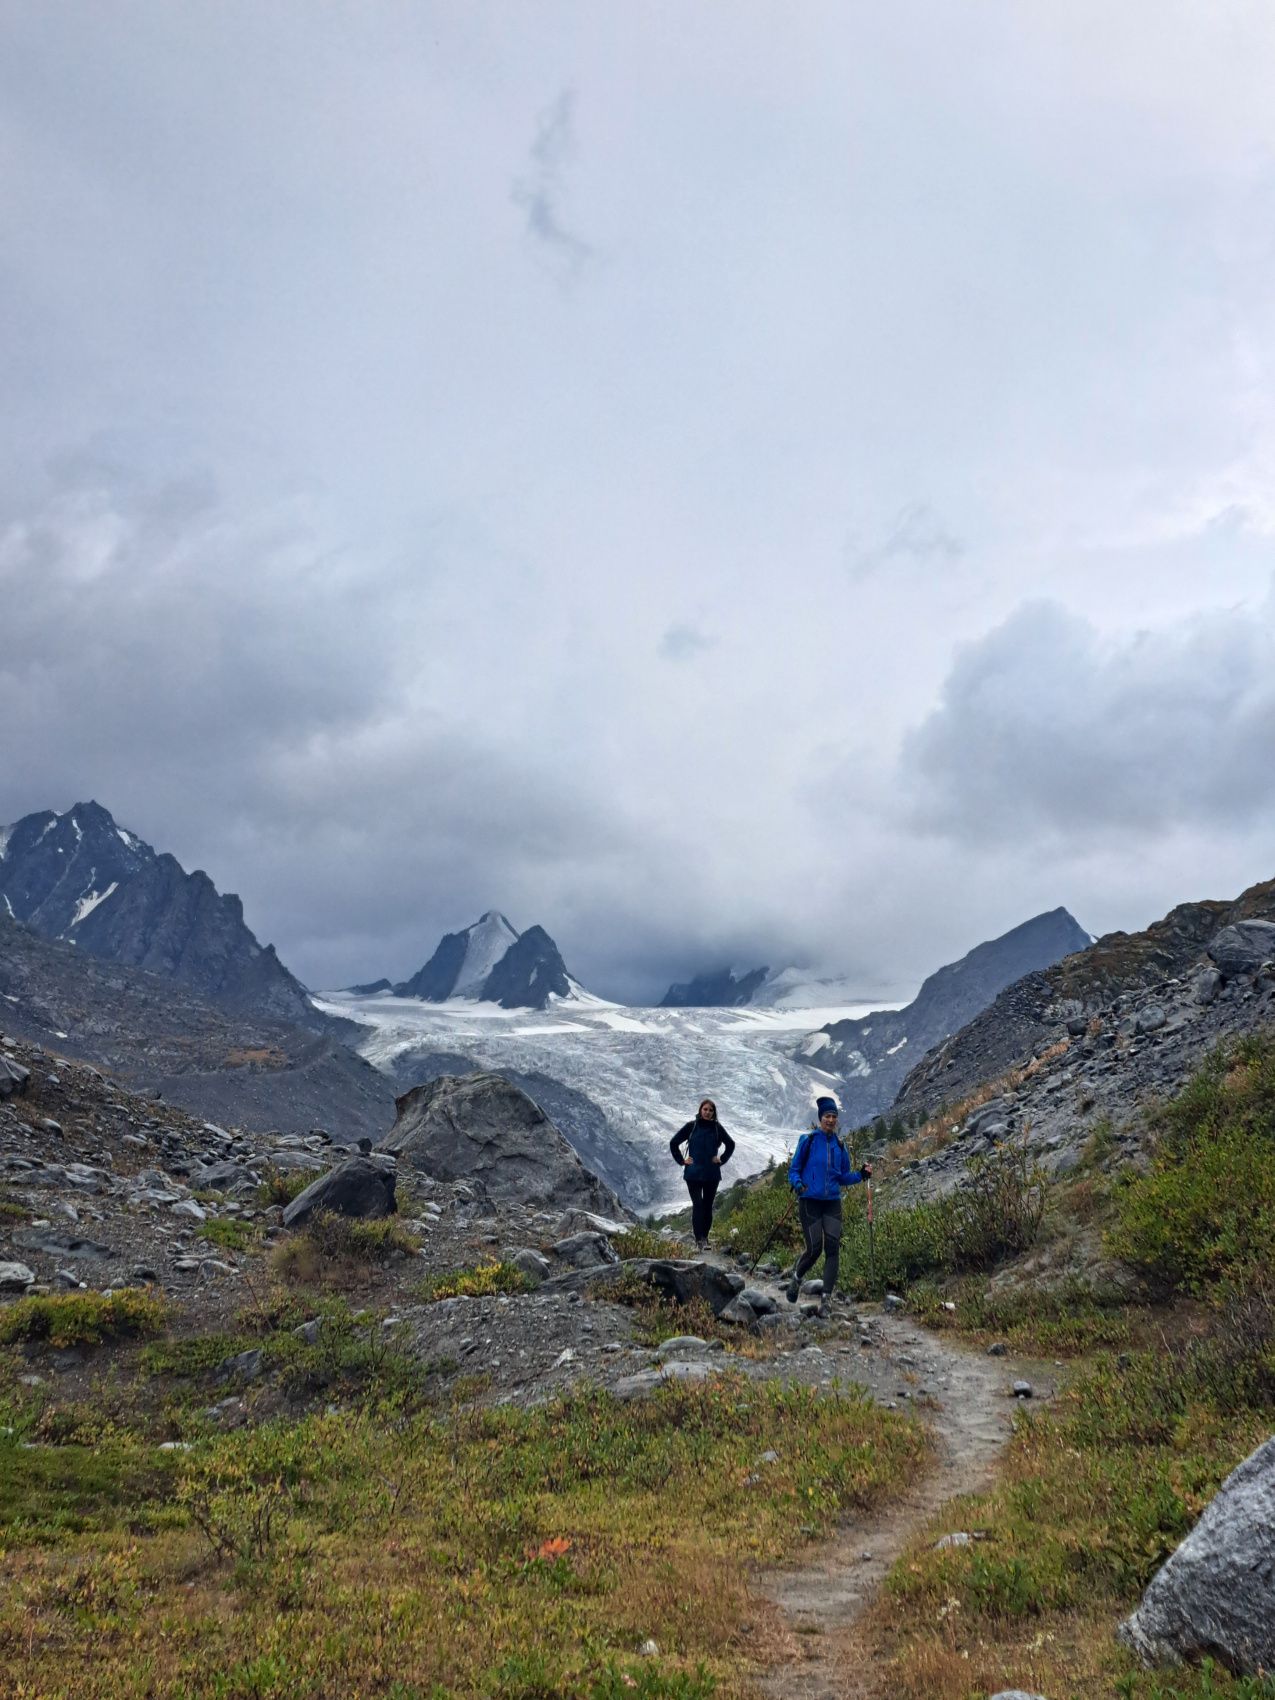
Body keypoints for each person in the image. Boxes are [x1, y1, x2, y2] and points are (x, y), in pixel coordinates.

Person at [786, 1095, 871, 1318]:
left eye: (834, 1116)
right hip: (810, 1201)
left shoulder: (840, 1146)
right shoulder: (809, 1141)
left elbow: (842, 1176)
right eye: (827, 1116)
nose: (831, 1120)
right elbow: (793, 1170)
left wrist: (861, 1175)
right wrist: (798, 1184)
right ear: (820, 1118)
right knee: (814, 1250)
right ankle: (796, 1278)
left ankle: (826, 1299)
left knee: (832, 1250)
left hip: (832, 1202)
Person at [670, 1098, 736, 1251]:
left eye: (710, 1110)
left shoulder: (717, 1128)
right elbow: (674, 1142)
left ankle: (705, 1238)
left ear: (714, 1113)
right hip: (693, 1173)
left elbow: (731, 1144)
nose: (707, 1112)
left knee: (707, 1206)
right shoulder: (691, 1126)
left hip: (711, 1173)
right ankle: (698, 1240)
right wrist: (682, 1160)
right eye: (705, 1109)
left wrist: (721, 1159)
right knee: (698, 1205)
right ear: (700, 1110)